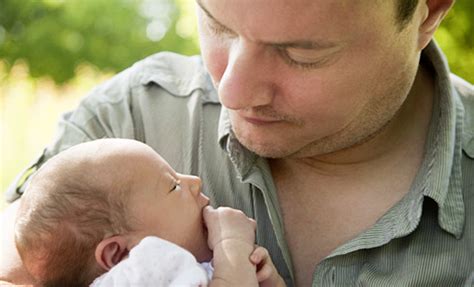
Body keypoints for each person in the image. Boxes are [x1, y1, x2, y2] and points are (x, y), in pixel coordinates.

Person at [1, 0, 473, 285]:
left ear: (428, 12)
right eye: (217, 24)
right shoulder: (127, 119)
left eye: (300, 52)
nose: (231, 92)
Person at [13, 138, 285, 287]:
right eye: (173, 186)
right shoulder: (134, 278)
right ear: (119, 255)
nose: (194, 181)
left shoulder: (173, 269)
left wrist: (262, 277)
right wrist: (233, 247)